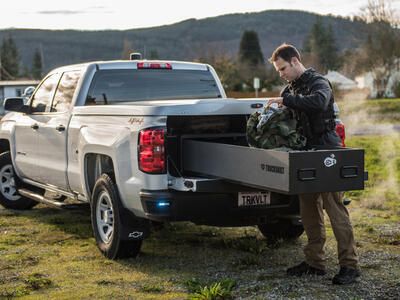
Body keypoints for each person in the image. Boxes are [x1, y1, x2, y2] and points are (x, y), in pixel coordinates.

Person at [267, 43, 360, 285]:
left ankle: (350, 266)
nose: (281, 74)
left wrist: (286, 100)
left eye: (283, 68)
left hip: (327, 151)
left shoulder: (319, 83)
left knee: (335, 209)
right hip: (305, 153)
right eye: (278, 71)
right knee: (308, 209)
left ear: (296, 61)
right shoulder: (291, 88)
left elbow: (318, 103)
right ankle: (314, 263)